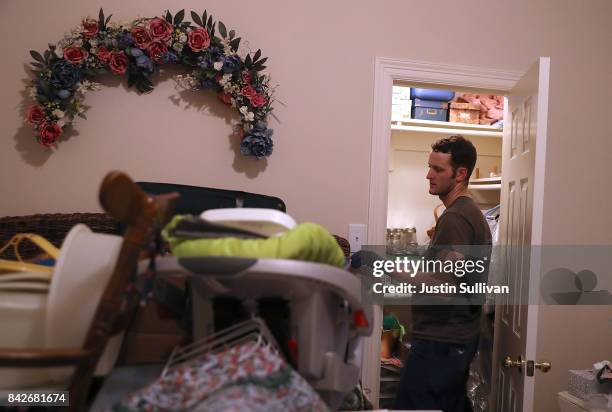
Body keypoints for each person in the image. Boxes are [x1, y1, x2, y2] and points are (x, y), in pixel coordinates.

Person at [393, 135, 492, 412]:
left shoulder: (456, 218)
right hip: (455, 338)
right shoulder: (469, 213)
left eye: (438, 169)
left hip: (442, 341)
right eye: (429, 167)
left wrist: (389, 268)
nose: (428, 175)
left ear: (461, 174)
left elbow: (444, 289)